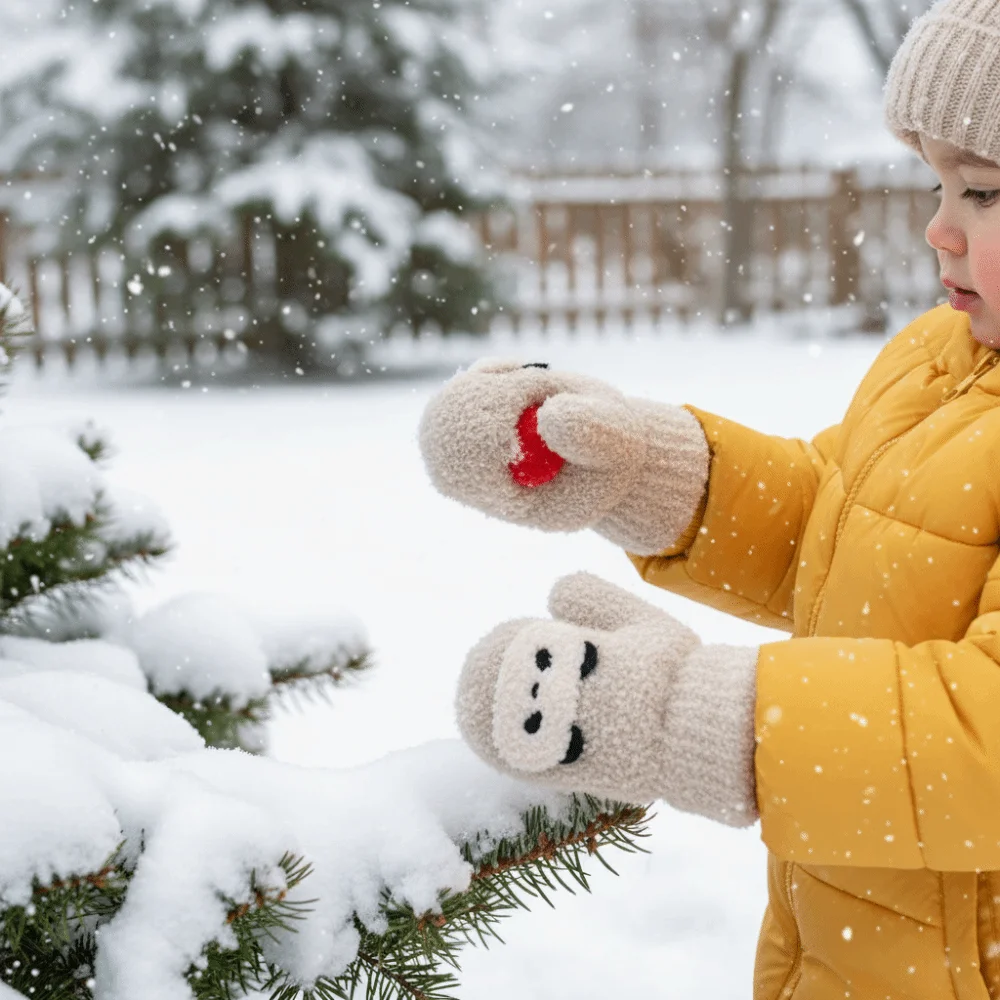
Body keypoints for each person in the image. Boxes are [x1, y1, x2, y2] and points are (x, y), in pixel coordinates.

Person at [418, 1, 1000, 996]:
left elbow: (982, 734)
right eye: (936, 182)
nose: (937, 227)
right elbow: (834, 531)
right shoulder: (940, 362)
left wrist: (686, 716)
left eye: (983, 190)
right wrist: (651, 473)